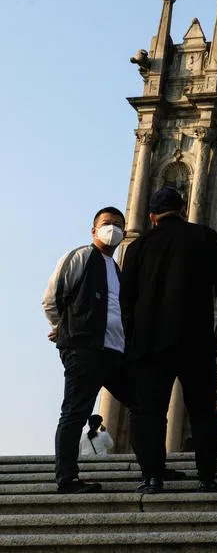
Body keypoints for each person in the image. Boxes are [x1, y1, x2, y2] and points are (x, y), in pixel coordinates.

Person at [120, 187, 217, 494]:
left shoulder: (137, 247)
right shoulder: (204, 237)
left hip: (149, 343)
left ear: (151, 216)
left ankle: (153, 477)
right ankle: (207, 476)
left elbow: (125, 300)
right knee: (202, 411)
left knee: (151, 412)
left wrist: (130, 340)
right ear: (183, 209)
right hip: (195, 340)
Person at [42, 205, 132, 493]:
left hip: (114, 352)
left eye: (118, 225)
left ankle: (154, 466)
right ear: (94, 229)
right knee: (75, 412)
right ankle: (66, 478)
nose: (113, 229)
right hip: (84, 349)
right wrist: (65, 328)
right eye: (107, 223)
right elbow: (52, 299)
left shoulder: (117, 270)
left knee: (142, 403)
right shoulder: (80, 257)